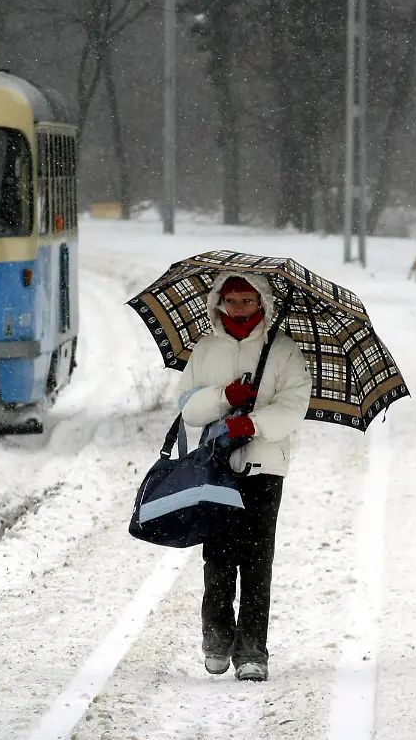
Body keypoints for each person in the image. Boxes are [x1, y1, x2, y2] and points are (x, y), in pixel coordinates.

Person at [176, 273, 312, 682]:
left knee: (256, 560)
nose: (239, 308)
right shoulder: (206, 348)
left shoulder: (283, 350)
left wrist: (251, 424)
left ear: (262, 303)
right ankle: (216, 637)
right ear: (219, 302)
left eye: (247, 301)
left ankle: (252, 649)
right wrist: (224, 399)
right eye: (231, 300)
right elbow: (186, 408)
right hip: (217, 467)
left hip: (265, 466)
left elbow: (294, 403)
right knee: (217, 555)